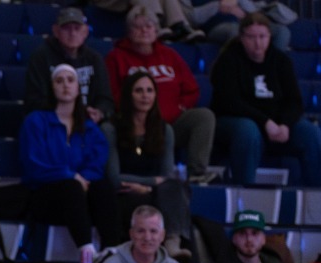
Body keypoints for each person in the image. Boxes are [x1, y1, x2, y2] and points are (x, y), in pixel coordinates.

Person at [16, 63, 122, 263]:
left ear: (78, 88)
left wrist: (83, 179)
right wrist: (71, 175)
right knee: (70, 186)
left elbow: (96, 165)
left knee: (102, 186)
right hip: (45, 196)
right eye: (59, 80)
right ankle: (87, 250)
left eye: (70, 80)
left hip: (80, 196)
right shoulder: (35, 121)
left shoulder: (91, 129)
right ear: (52, 87)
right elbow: (34, 166)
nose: (65, 85)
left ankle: (111, 250)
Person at [105, 7, 218, 184]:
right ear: (129, 32)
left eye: (149, 26)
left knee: (204, 116)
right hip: (137, 126)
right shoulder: (116, 58)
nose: (144, 31)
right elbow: (112, 94)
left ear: (157, 30)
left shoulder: (169, 55)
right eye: (138, 27)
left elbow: (191, 89)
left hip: (171, 122)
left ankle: (197, 173)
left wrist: (180, 107)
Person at [208, 12, 321, 187]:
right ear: (242, 38)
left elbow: (294, 101)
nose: (258, 42)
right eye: (251, 37)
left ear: (269, 37)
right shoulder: (229, 60)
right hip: (235, 121)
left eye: (262, 36)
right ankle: (245, 195)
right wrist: (265, 122)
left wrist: (285, 124)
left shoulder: (280, 60)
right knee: (248, 131)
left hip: (275, 124)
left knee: (310, 133)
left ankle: (316, 196)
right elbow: (230, 102)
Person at [107, 72, 196, 263]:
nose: (145, 96)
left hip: (155, 193)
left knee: (175, 186)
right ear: (128, 95)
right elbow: (114, 177)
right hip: (123, 193)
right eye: (138, 91)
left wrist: (148, 187)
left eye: (149, 90)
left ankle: (173, 242)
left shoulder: (165, 130)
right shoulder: (111, 128)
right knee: (165, 192)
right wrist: (151, 183)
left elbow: (166, 176)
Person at [24, 8, 115, 128]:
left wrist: (99, 112)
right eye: (66, 28)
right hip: (52, 119)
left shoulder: (94, 59)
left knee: (107, 129)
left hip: (88, 121)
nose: (72, 33)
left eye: (77, 28)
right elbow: (34, 100)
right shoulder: (40, 58)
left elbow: (105, 98)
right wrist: (69, 112)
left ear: (85, 32)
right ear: (56, 31)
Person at [182, 0, 293, 52]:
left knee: (282, 32)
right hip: (214, 26)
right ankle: (243, 73)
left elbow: (255, 10)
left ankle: (272, 71)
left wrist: (241, 9)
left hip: (246, 22)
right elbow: (191, 17)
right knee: (236, 32)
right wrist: (218, 5)